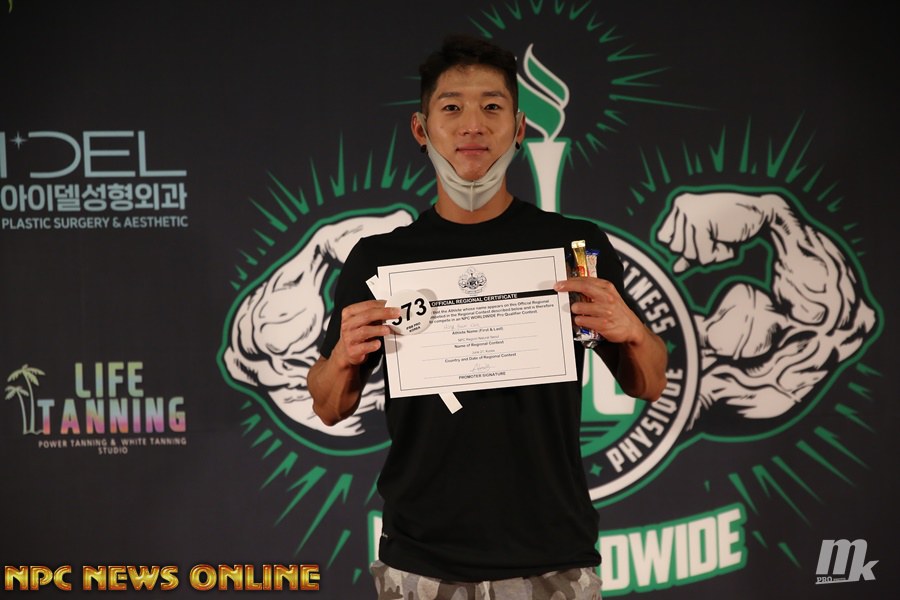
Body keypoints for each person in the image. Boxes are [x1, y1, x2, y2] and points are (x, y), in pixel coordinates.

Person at [307, 34, 668, 600]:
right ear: (421, 129)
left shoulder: (575, 246)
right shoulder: (380, 260)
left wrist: (633, 332)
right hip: (420, 560)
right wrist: (342, 358)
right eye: (452, 107)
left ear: (520, 128)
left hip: (553, 556)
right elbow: (329, 405)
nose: (473, 125)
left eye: (492, 107)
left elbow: (649, 382)